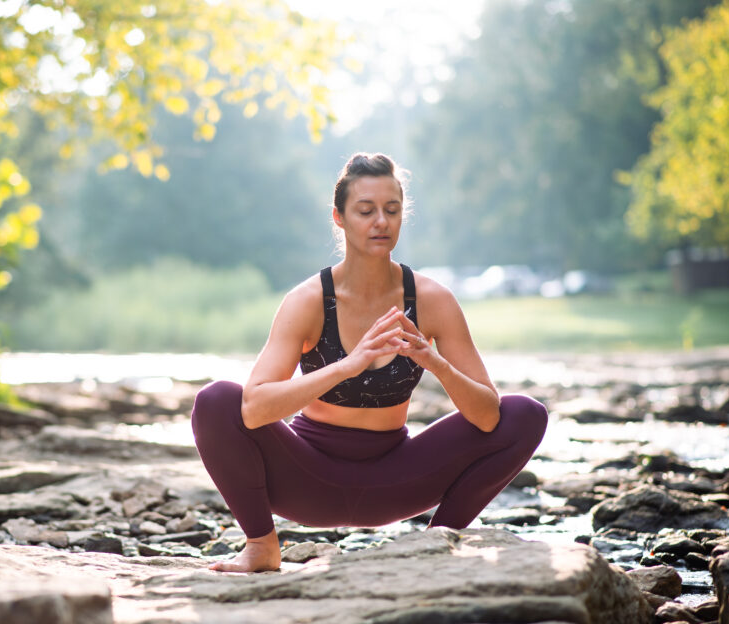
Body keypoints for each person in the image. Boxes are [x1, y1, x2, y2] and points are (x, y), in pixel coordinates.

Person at [191, 152, 548, 573]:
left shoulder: (432, 300)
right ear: (339, 218)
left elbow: (489, 418)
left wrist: (436, 364)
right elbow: (254, 408)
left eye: (391, 210)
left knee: (526, 414)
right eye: (366, 210)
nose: (380, 221)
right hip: (307, 479)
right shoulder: (307, 302)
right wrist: (348, 365)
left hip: (396, 480)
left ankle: (436, 544)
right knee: (216, 401)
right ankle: (262, 546)